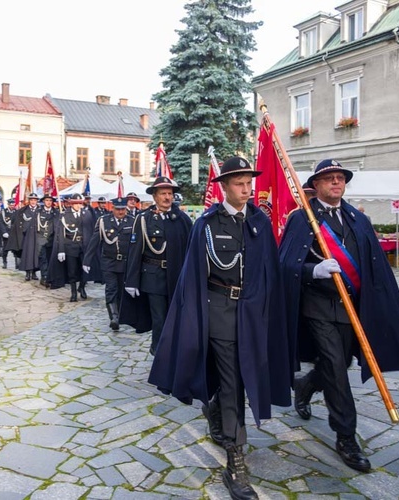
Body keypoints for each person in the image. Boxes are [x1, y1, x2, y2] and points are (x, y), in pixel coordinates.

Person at [148, 157, 292, 500]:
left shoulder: (259, 221)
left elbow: (269, 271)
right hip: (221, 312)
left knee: (243, 378)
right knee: (233, 383)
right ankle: (236, 458)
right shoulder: (207, 224)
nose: (247, 188)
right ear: (223, 186)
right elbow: (194, 277)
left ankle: (213, 410)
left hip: (253, 313)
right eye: (239, 183)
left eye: (249, 182)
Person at [279, 159, 399, 473]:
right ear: (317, 185)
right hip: (317, 308)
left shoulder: (357, 219)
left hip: (354, 307)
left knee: (339, 363)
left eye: (340, 178)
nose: (336, 183)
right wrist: (314, 270)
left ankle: (306, 386)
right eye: (329, 179)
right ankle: (346, 436)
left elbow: (373, 264)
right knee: (337, 369)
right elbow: (284, 264)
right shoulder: (303, 218)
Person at [121, 176, 192, 355]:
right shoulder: (144, 219)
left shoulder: (182, 219)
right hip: (153, 277)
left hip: (177, 276)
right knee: (159, 319)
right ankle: (159, 352)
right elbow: (135, 250)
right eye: (163, 194)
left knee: (175, 317)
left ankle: (173, 352)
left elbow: (191, 250)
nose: (167, 197)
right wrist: (131, 280)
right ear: (155, 196)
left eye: (170, 193)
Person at [83, 197, 134, 328]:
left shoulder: (132, 221)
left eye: (123, 209)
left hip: (125, 262)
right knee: (111, 289)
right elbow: (94, 241)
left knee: (122, 290)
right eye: (118, 209)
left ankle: (122, 314)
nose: (121, 212)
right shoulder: (103, 221)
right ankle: (114, 317)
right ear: (113, 209)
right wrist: (87, 261)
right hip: (109, 262)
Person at [54, 194, 96, 301]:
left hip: (84, 246)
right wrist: (61, 250)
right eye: (75, 203)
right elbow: (61, 233)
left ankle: (81, 287)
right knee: (72, 271)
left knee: (85, 269)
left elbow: (91, 231)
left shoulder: (86, 214)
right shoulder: (64, 215)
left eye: (80, 203)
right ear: (71, 203)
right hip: (70, 245)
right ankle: (73, 292)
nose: (78, 205)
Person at [0, 198, 17, 269]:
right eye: (10, 205)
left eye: (13, 205)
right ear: (8, 205)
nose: (12, 206)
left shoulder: (17, 212)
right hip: (6, 232)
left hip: (14, 233)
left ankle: (17, 263)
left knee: (15, 248)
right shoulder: (4, 212)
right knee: (5, 248)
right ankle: (4, 262)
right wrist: (4, 232)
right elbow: (1, 222)